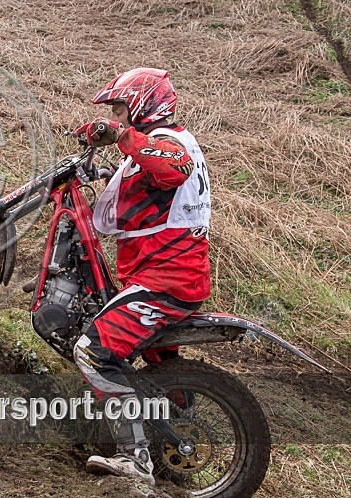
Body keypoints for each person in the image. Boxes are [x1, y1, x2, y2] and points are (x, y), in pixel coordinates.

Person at [72, 68, 211, 485]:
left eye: (119, 108)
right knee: (155, 361)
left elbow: (174, 168)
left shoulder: (171, 144)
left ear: (143, 105)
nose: (115, 116)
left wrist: (121, 135)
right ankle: (176, 422)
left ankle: (136, 459)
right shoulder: (155, 146)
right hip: (160, 276)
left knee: (93, 351)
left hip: (166, 281)